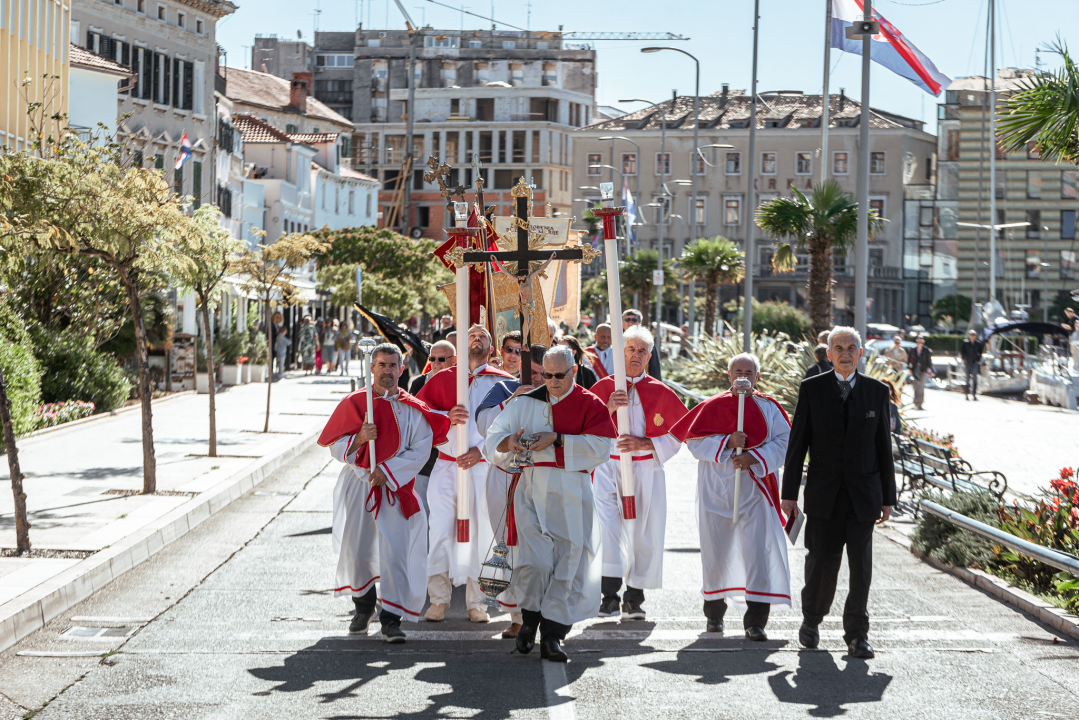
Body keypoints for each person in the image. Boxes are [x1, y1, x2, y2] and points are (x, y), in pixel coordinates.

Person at [484, 345, 617, 662]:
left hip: (571, 491)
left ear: (573, 371)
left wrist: (558, 439)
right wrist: (509, 442)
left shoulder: (589, 403)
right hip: (530, 488)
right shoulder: (526, 401)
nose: (553, 381)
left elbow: (601, 448)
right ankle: (529, 619)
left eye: (560, 375)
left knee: (568, 564)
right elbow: (494, 436)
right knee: (534, 562)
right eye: (547, 375)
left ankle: (553, 636)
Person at [319, 343, 450, 643]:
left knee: (396, 552)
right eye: (382, 365)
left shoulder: (412, 407)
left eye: (393, 366)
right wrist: (359, 438)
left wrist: (388, 472)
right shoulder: (355, 403)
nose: (387, 371)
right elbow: (334, 445)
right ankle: (363, 607)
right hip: (361, 484)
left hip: (396, 486)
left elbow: (422, 448)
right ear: (371, 368)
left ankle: (391, 619)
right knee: (359, 549)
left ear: (401, 370)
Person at [781, 326, 896, 660]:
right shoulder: (811, 389)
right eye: (838, 347)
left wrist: (888, 498)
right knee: (820, 562)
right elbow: (797, 443)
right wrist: (789, 494)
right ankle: (811, 621)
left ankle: (858, 635)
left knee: (861, 567)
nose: (845, 353)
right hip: (823, 495)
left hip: (864, 496)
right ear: (828, 353)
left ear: (860, 353)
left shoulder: (877, 391)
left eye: (851, 347)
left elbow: (883, 448)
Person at [670, 353, 792, 640]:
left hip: (755, 491)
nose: (743, 376)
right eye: (738, 370)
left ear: (756, 377)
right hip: (716, 490)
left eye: (749, 372)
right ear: (729, 375)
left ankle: (756, 621)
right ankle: (714, 617)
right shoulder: (711, 406)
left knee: (757, 554)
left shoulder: (770, 409)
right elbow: (694, 443)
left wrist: (753, 457)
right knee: (716, 553)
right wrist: (727, 442)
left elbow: (785, 443)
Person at [416, 325, 513, 623]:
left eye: (483, 336)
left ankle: (478, 602)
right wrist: (445, 419)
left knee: (482, 532)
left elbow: (511, 425)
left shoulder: (503, 382)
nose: (477, 339)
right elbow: (418, 418)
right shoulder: (442, 379)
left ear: (491, 347)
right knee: (441, 529)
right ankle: (439, 599)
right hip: (447, 465)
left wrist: (481, 451)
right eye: (472, 335)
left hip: (484, 467)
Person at [590, 326, 687, 620]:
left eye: (642, 350)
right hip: (608, 466)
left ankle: (634, 598)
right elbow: (584, 428)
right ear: (621, 353)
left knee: (641, 533)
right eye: (630, 349)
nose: (635, 355)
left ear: (649, 356)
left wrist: (646, 443)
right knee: (608, 531)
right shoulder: (602, 388)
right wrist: (607, 407)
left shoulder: (660, 391)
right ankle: (608, 598)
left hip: (646, 468)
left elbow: (679, 433)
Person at [474, 345, 548, 640]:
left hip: (543, 479)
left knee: (542, 548)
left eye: (546, 373)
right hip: (505, 477)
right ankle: (518, 615)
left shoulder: (558, 392)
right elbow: (483, 426)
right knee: (508, 546)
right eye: (536, 373)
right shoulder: (504, 387)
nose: (541, 379)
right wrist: (512, 401)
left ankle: (545, 614)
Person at [409, 341, 457, 516]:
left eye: (441, 359)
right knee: (424, 513)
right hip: (426, 461)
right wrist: (446, 417)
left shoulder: (462, 382)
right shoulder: (418, 383)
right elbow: (415, 418)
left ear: (454, 360)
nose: (435, 363)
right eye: (432, 358)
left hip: (454, 460)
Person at [622, 309, 662, 380]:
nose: (630, 323)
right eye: (628, 319)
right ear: (622, 323)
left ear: (640, 323)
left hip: (641, 384)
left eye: (634, 320)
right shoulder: (615, 341)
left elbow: (654, 369)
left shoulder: (647, 342)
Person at [908, 335, 933, 410]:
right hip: (915, 369)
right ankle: (916, 402)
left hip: (923, 369)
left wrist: (929, 369)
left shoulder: (926, 350)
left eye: (921, 340)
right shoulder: (913, 350)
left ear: (923, 341)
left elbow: (929, 360)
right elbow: (909, 360)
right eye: (918, 341)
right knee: (916, 385)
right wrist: (910, 369)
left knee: (921, 386)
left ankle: (920, 403)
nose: (919, 342)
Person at [959, 330, 984, 401]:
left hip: (974, 363)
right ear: (969, 336)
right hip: (968, 363)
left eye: (974, 335)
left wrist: (978, 360)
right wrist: (964, 359)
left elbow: (980, 353)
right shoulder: (966, 343)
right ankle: (966, 394)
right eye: (971, 335)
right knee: (967, 379)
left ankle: (974, 394)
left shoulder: (978, 344)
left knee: (975, 379)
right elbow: (962, 352)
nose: (973, 336)